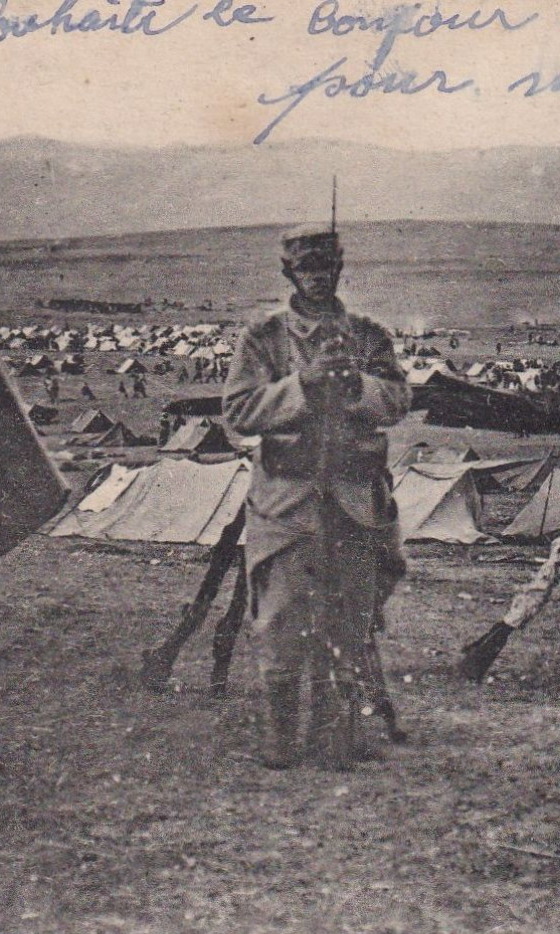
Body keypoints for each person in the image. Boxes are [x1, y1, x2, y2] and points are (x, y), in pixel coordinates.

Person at [223, 224, 411, 770]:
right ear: (290, 274)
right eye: (306, 270)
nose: (317, 278)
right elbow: (238, 412)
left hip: (353, 502)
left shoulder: (370, 335)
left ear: (339, 269)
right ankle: (281, 739)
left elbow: (398, 399)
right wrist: (302, 385)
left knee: (348, 626)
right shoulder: (263, 339)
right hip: (288, 504)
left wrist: (357, 386)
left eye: (326, 268)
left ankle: (336, 739)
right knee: (282, 623)